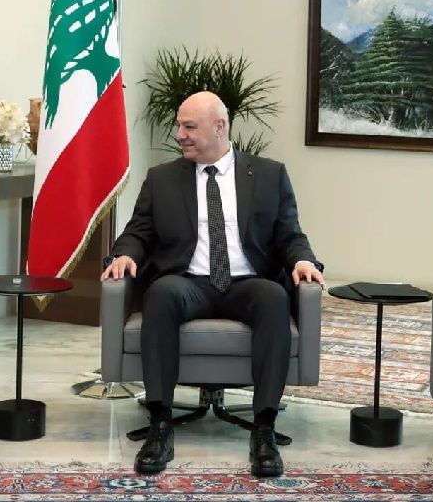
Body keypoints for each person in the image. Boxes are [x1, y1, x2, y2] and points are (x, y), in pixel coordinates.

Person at [101, 91, 324, 478]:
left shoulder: (269, 175)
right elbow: (138, 231)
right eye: (179, 126)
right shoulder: (162, 178)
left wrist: (304, 260)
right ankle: (160, 426)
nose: (180, 134)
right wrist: (124, 254)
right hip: (189, 282)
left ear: (220, 127)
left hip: (246, 282)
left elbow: (290, 233)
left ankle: (264, 430)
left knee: (274, 298)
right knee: (161, 294)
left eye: (189, 127)